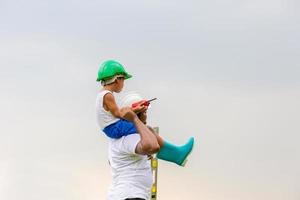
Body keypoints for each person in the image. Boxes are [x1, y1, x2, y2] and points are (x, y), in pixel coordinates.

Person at [96, 60, 194, 167]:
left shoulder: (102, 94)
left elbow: (117, 113)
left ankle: (172, 153)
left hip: (112, 126)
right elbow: (118, 113)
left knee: (147, 130)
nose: (123, 84)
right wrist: (134, 113)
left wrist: (134, 110)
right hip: (114, 127)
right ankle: (175, 153)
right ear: (117, 79)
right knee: (147, 130)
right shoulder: (107, 95)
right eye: (123, 80)